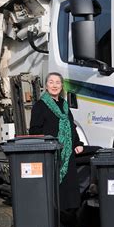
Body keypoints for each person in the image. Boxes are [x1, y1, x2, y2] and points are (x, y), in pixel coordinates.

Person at [29, 72, 84, 214]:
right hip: (50, 152)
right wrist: (46, 144)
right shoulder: (40, 106)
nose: (54, 85)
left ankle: (65, 215)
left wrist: (78, 143)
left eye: (58, 83)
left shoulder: (65, 106)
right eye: (51, 82)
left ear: (61, 86)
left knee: (68, 186)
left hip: (66, 151)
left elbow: (72, 127)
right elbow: (34, 130)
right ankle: (51, 215)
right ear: (46, 86)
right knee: (53, 186)